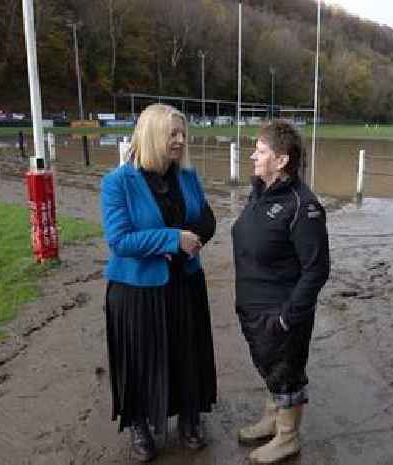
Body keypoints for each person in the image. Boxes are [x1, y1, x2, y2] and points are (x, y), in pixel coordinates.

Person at [100, 103, 217, 462]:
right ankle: (139, 425)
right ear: (152, 135)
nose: (181, 140)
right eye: (173, 134)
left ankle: (189, 416)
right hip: (137, 291)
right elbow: (119, 240)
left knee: (187, 352)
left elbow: (207, 219)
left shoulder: (187, 177)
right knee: (140, 360)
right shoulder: (117, 182)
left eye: (183, 134)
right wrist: (171, 240)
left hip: (185, 283)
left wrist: (190, 241)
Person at [232, 121, 330, 464]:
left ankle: (288, 438)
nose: (253, 156)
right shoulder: (260, 192)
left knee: (286, 372)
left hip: (281, 313)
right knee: (269, 367)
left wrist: (289, 317)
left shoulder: (303, 206)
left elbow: (317, 269)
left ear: (282, 160)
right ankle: (274, 418)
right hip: (253, 308)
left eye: (260, 151)